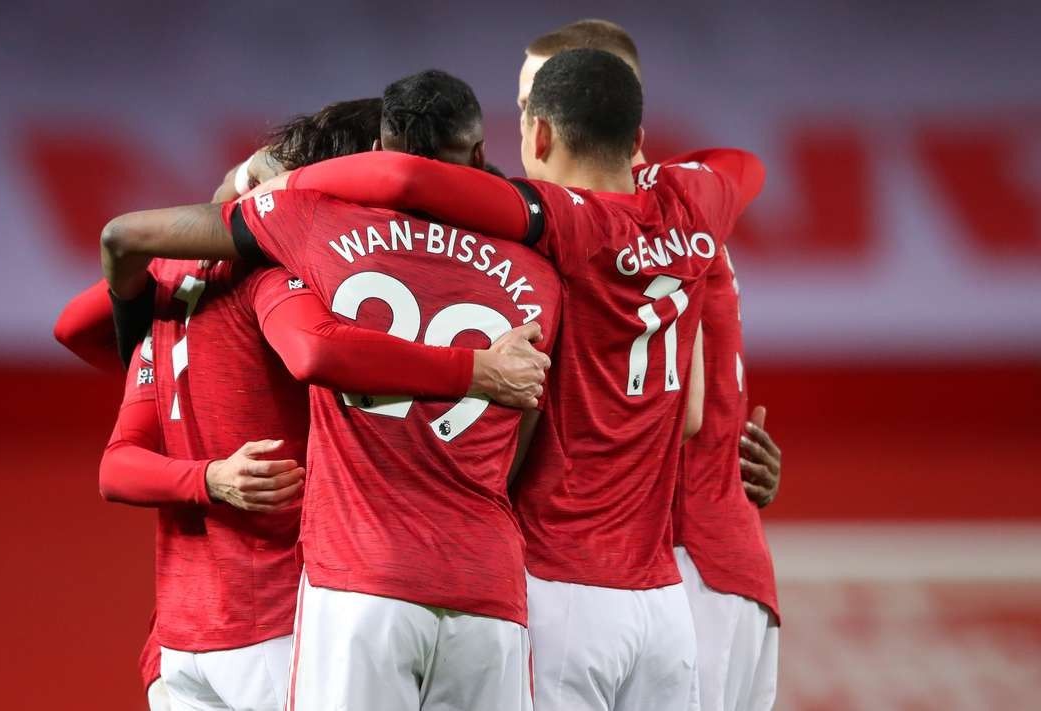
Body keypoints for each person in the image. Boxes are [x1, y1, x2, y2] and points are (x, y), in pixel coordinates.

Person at [253, 49, 765, 710]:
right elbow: (744, 166)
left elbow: (408, 180)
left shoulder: (563, 220)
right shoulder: (696, 204)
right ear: (636, 137)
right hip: (662, 603)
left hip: (560, 582)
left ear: (540, 134)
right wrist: (652, 189)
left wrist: (283, 184)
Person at [61, 97, 550, 711]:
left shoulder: (172, 279)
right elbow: (315, 350)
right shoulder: (285, 278)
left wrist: (237, 192)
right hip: (281, 620)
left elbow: (75, 328)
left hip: (180, 638)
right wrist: (476, 370)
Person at [525, 21, 782, 711]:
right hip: (717, 565)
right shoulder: (687, 213)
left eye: (531, 104)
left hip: (673, 562)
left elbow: (688, 414)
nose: (523, 127)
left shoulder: (596, 231)